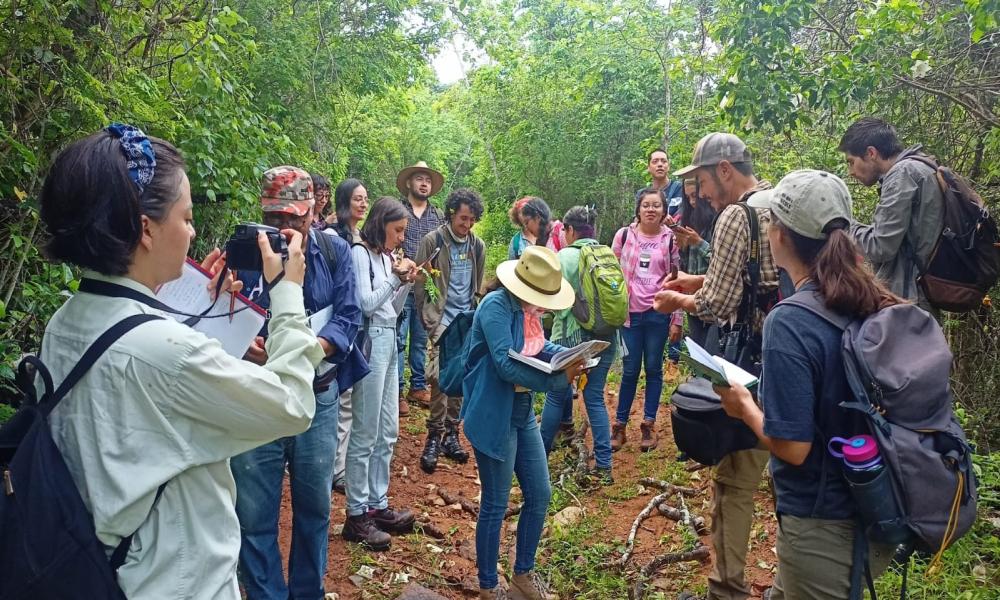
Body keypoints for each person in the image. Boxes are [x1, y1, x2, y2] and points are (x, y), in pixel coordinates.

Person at [36, 125, 323, 598]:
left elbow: (155, 415)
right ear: (145, 229)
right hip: (177, 581)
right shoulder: (163, 351)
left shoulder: (66, 320)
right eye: (186, 217)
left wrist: (193, 307)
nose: (192, 231)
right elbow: (292, 404)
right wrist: (287, 292)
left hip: (103, 568)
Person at [717, 170, 895, 599]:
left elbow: (792, 447)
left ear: (781, 235)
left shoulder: (792, 320)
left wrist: (745, 406)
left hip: (822, 528)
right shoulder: (875, 299)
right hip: (877, 505)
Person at [230, 166, 362, 600]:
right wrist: (241, 337)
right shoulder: (243, 253)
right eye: (276, 217)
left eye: (295, 218)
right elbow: (221, 317)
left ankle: (308, 591)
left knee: (315, 507)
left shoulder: (335, 251)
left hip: (318, 397)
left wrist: (307, 351)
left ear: (314, 209)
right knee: (253, 515)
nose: (285, 228)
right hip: (256, 399)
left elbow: (348, 317)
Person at [656, 132, 777, 600]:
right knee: (792, 478)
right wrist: (700, 277)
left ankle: (727, 589)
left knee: (733, 480)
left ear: (725, 170)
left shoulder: (736, 214)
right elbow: (759, 277)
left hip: (754, 362)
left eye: (703, 181)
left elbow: (720, 300)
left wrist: (678, 298)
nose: (701, 194)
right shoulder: (781, 200)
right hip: (800, 359)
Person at [461, 246, 583, 600]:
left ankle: (523, 574)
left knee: (540, 493)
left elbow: (535, 348)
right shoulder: (496, 308)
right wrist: (559, 380)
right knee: (496, 503)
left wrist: (569, 355)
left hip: (521, 409)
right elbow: (505, 364)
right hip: (492, 411)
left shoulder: (528, 312)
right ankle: (487, 585)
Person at [343, 197, 418, 551]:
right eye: (398, 230)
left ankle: (378, 503)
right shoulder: (361, 253)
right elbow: (366, 304)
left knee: (388, 429)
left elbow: (393, 307)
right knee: (366, 429)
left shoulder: (387, 257)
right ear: (381, 224)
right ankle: (356, 514)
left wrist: (405, 283)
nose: (401, 238)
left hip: (390, 336)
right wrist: (394, 278)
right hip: (371, 338)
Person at [539, 206, 618, 484]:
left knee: (555, 396)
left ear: (570, 231)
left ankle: (536, 460)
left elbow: (553, 303)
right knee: (594, 398)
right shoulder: (606, 254)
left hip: (571, 339)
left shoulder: (564, 257)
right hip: (606, 337)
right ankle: (605, 466)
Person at [414, 188, 486, 474]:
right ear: (451, 213)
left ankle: (452, 433)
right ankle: (433, 435)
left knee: (461, 376)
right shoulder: (433, 241)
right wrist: (428, 318)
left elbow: (477, 284)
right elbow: (420, 284)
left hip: (464, 318)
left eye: (471, 220)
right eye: (463, 218)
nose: (466, 225)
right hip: (440, 317)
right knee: (439, 379)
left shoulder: (476, 246)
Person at [839, 117, 944, 312]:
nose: (850, 172)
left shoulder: (902, 174)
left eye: (851, 162)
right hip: (921, 295)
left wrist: (843, 223)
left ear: (871, 153)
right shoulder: (922, 166)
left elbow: (881, 246)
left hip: (909, 301)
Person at [610, 189, 683, 453]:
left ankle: (649, 424)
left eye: (656, 205)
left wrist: (677, 317)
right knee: (629, 370)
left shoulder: (671, 239)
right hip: (629, 315)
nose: (650, 209)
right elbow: (610, 274)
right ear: (638, 209)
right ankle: (619, 425)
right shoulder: (624, 235)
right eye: (646, 205)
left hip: (658, 313)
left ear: (664, 211)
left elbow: (677, 281)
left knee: (653, 368)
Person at [396, 161, 446, 415]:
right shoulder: (397, 211)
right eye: (419, 178)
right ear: (408, 183)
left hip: (426, 285)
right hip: (400, 283)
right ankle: (396, 391)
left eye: (427, 179)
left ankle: (417, 386)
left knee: (419, 339)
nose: (424, 183)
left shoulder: (437, 216)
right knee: (397, 338)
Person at [330, 177, 369, 494]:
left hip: (352, 325)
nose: (363, 203)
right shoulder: (331, 237)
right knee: (338, 398)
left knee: (347, 399)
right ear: (344, 201)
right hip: (334, 326)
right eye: (357, 198)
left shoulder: (358, 237)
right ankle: (335, 468)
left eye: (366, 198)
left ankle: (338, 466)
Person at [675, 178, 717, 348]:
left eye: (695, 196)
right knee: (698, 351)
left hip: (714, 298)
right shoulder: (688, 219)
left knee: (713, 353)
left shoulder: (719, 219)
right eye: (688, 197)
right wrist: (682, 247)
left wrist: (698, 242)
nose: (692, 201)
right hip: (693, 299)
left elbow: (722, 261)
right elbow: (686, 265)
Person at [636, 148, 685, 218]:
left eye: (664, 161)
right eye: (655, 161)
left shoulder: (681, 189)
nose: (660, 164)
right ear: (649, 167)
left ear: (668, 166)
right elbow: (638, 220)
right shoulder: (642, 194)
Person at [332, 177, 368, 244]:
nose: (364, 205)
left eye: (366, 200)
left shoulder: (363, 237)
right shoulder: (332, 235)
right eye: (358, 199)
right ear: (344, 202)